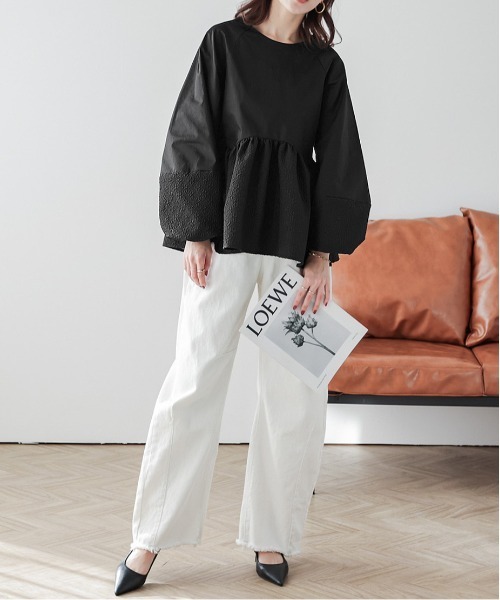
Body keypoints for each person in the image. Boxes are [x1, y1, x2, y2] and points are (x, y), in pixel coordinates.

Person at [114, 0, 371, 594]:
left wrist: (321, 256)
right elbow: (192, 130)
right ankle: (150, 536)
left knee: (295, 393)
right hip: (222, 241)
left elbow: (339, 158)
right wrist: (194, 231)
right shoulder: (223, 43)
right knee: (194, 381)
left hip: (293, 250)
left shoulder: (324, 66)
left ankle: (272, 532)